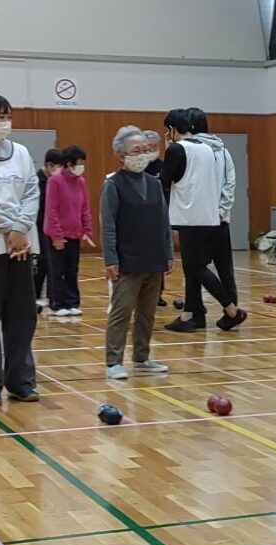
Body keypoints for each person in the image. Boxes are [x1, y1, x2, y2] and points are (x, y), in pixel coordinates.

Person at [160, 108, 247, 332]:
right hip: (210, 217)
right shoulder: (212, 149)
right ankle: (193, 312)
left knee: (197, 268)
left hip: (191, 218)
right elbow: (225, 183)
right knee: (209, 268)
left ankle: (230, 310)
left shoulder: (181, 149)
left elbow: (166, 181)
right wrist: (219, 211)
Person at [0, 91, 41, 405]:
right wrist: (9, 228)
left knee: (22, 316)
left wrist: (20, 229)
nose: (4, 123)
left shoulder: (21, 152)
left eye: (7, 116)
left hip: (21, 246)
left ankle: (21, 382)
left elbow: (32, 191)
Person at [101, 126, 174, 379]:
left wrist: (169, 253)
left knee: (147, 312)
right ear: (121, 155)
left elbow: (164, 221)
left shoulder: (155, 184)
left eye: (146, 150)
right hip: (126, 261)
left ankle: (142, 357)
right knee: (122, 311)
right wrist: (110, 258)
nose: (142, 155)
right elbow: (108, 225)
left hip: (153, 258)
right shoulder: (113, 185)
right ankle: (113, 362)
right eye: (136, 151)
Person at [188, 107, 239, 307]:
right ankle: (231, 310)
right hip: (221, 220)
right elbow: (230, 183)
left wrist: (212, 213)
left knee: (195, 267)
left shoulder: (192, 151)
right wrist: (221, 210)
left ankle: (199, 309)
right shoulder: (224, 151)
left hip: (202, 222)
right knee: (225, 269)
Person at [44, 145, 95, 316]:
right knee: (57, 271)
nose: (81, 166)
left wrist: (87, 229)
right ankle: (57, 303)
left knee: (72, 270)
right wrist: (56, 235)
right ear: (68, 163)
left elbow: (85, 208)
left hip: (74, 234)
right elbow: (51, 210)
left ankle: (72, 302)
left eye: (82, 163)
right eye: (77, 163)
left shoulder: (81, 182)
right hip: (57, 234)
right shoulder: (55, 181)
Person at [34, 148, 63, 308]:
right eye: (58, 167)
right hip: (37, 226)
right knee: (40, 263)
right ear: (49, 165)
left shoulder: (57, 182)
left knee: (53, 264)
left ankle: (54, 299)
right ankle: (35, 296)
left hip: (51, 227)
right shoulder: (36, 181)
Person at [143, 130, 167, 306]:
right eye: (149, 146)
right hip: (144, 219)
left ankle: (158, 293)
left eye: (155, 147)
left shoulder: (163, 166)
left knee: (160, 258)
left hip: (160, 217)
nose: (152, 149)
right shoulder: (139, 166)